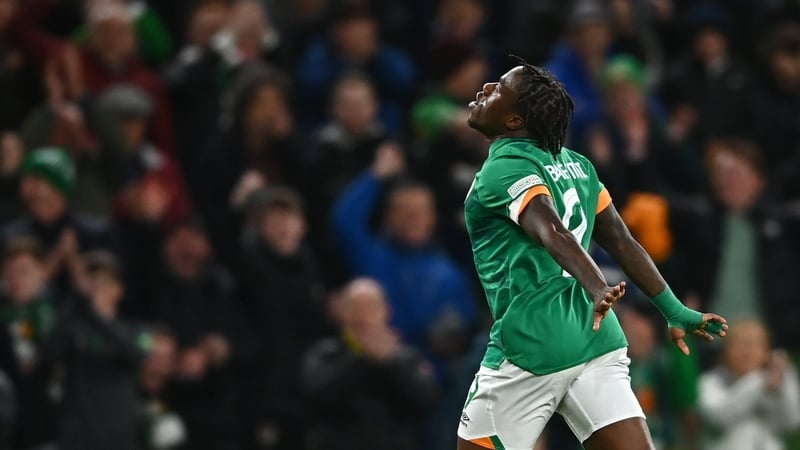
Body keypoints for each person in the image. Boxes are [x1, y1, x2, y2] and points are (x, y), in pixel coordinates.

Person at [456, 57, 727, 450]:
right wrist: (672, 308)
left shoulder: (504, 168)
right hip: (597, 339)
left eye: (498, 88)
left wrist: (599, 287)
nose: (484, 90)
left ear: (514, 122)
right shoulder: (578, 165)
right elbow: (622, 241)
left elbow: (551, 230)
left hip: (534, 344)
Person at [302, 278, 438, 450]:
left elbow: (426, 401)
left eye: (371, 307)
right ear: (343, 312)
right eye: (355, 307)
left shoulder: (406, 358)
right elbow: (318, 396)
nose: (363, 315)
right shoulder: (326, 354)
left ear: (386, 311)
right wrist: (362, 359)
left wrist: (391, 363)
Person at [698, 319, 800, 450]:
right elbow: (719, 418)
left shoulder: (774, 380)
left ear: (767, 350)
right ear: (725, 351)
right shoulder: (710, 382)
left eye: (754, 344)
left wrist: (784, 383)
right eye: (740, 344)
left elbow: (791, 423)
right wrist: (759, 382)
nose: (747, 352)